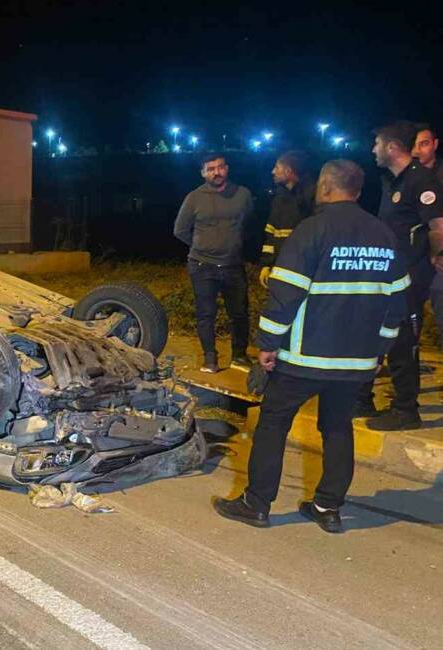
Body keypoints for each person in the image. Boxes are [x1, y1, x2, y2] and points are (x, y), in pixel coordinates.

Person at [213, 160, 409, 533]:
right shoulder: (384, 236)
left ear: (324, 187)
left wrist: (267, 345)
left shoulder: (311, 231)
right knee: (337, 428)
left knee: (272, 424)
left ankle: (256, 504)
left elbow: (284, 295)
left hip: (303, 358)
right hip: (355, 362)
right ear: (358, 190)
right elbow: (397, 304)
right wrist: (380, 349)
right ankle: (328, 508)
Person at [359, 121, 443, 430]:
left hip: (411, 277)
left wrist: (436, 256)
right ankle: (365, 399)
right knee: (387, 337)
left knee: (403, 340)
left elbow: (439, 227)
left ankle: (406, 409)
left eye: (377, 144)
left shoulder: (421, 181)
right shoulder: (392, 182)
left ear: (392, 147)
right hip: (390, 275)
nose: (373, 150)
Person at [173, 153, 255, 373]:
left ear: (227, 169)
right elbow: (180, 230)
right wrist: (201, 246)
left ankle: (239, 356)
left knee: (239, 313)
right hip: (202, 266)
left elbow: (248, 225)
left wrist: (234, 244)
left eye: (220, 167)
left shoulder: (242, 194)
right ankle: (210, 359)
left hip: (233, 265)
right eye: (211, 169)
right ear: (203, 173)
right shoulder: (194, 198)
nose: (216, 172)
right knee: (206, 313)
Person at [259, 151, 314, 286]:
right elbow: (271, 233)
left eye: (277, 168)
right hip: (281, 266)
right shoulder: (280, 198)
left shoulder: (312, 197)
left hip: (305, 269)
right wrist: (267, 264)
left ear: (288, 171)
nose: (273, 171)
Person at [413, 125, 443, 351]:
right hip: (416, 257)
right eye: (414, 145)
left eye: (424, 144)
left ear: (435, 144)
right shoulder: (404, 178)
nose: (417, 150)